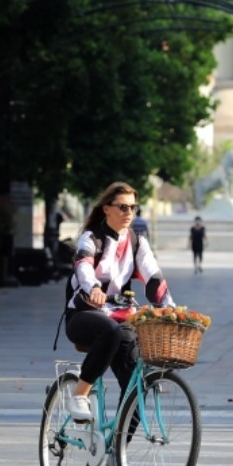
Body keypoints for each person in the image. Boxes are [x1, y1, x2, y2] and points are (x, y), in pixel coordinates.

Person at [64, 182, 174, 443]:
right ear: (107, 209)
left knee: (137, 387)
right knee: (110, 331)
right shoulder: (91, 238)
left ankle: (118, 452)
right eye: (122, 207)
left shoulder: (137, 242)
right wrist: (93, 288)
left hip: (119, 316)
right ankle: (80, 394)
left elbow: (153, 276)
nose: (129, 213)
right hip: (83, 315)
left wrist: (168, 307)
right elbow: (83, 265)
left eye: (133, 207)